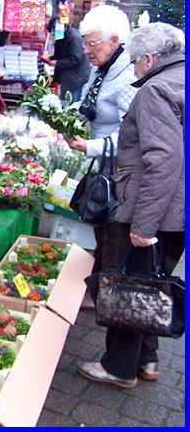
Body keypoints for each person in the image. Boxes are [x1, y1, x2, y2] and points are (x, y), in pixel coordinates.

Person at [77, 22, 185, 389]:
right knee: (154, 283)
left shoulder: (155, 90)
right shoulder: (180, 79)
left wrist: (144, 225)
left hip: (151, 212)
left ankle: (119, 367)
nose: (134, 68)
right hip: (176, 214)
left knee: (130, 286)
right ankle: (148, 360)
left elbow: (163, 158)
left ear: (151, 58)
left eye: (137, 61)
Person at [66, 5, 138, 274]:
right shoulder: (103, 69)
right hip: (102, 166)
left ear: (115, 41)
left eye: (92, 43)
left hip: (120, 172)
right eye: (85, 43)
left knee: (113, 234)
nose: (86, 50)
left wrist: (90, 146)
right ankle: (96, 284)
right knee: (99, 227)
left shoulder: (128, 76)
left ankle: (105, 291)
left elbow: (132, 136)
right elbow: (87, 104)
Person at [45, 17, 91, 102]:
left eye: (54, 31)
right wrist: (50, 59)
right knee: (64, 100)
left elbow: (76, 58)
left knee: (70, 103)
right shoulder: (60, 36)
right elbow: (59, 55)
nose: (53, 34)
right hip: (67, 76)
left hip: (76, 77)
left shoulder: (74, 37)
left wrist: (57, 63)